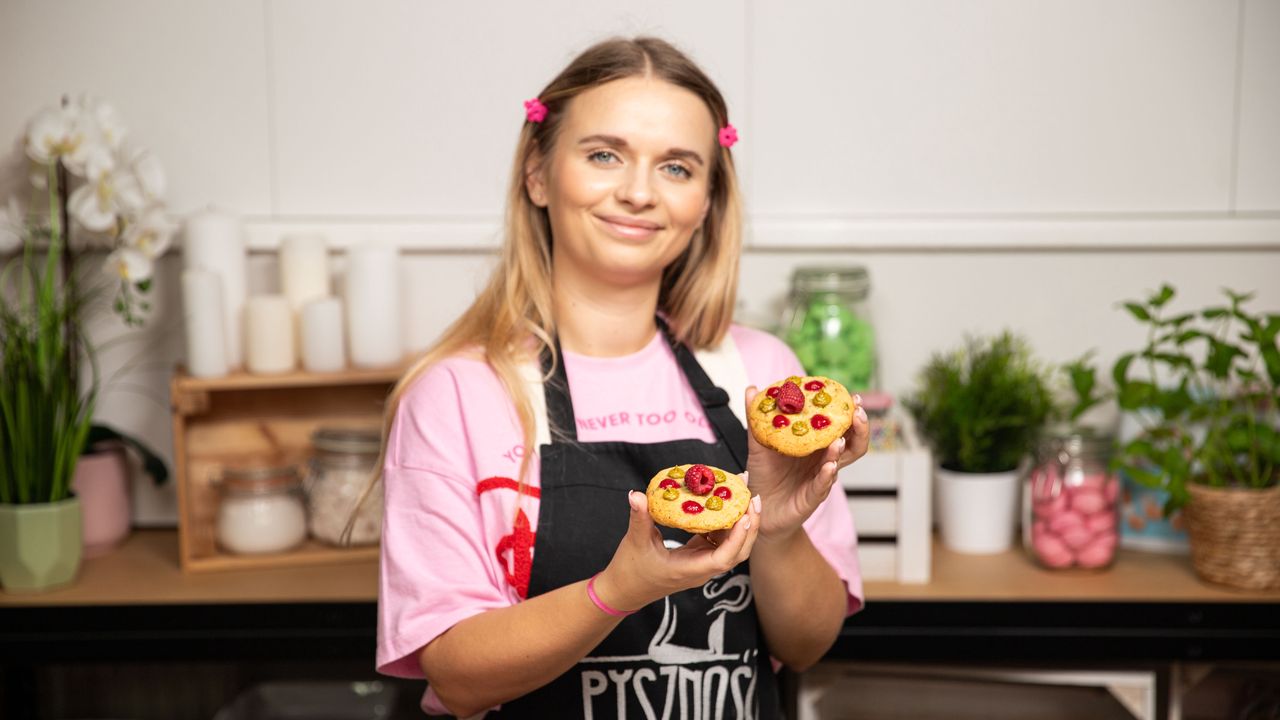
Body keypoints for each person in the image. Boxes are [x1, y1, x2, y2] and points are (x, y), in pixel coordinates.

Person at [369, 36, 869, 719]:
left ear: (707, 201)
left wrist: (778, 530)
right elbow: (457, 675)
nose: (637, 193)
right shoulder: (459, 394)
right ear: (538, 174)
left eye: (677, 167)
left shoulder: (762, 376)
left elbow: (807, 644)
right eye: (604, 154)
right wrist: (619, 589)